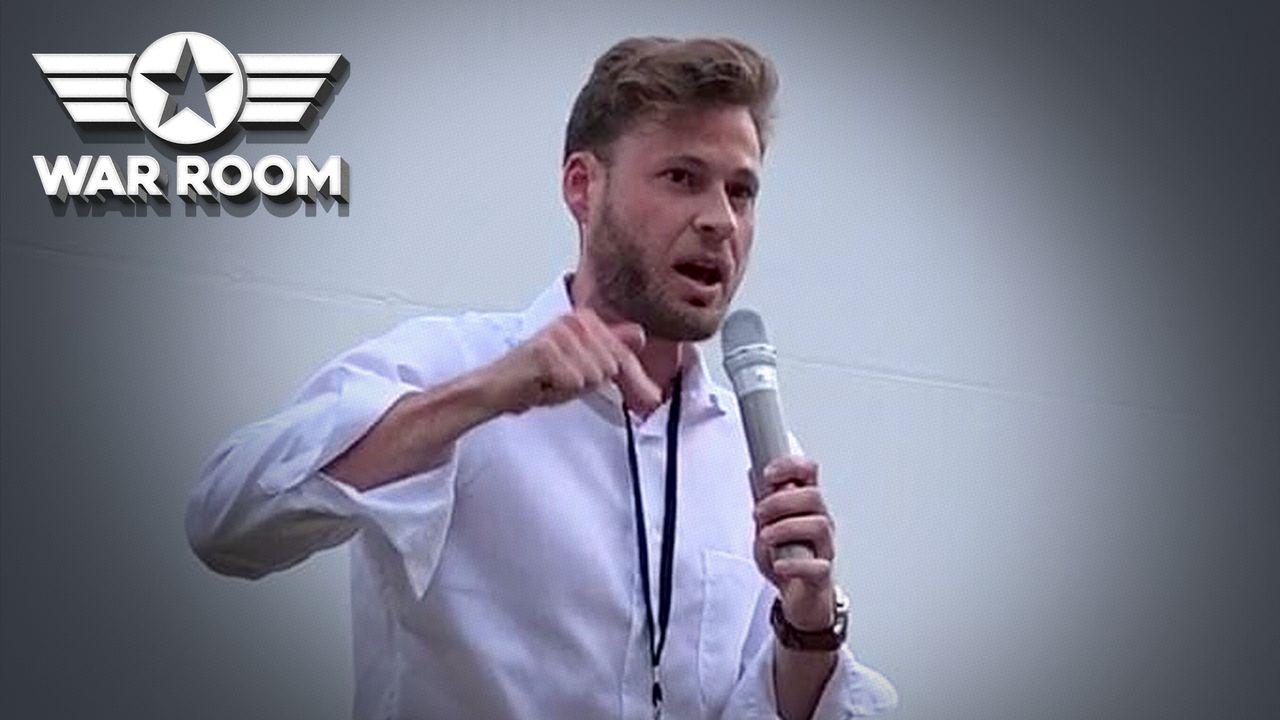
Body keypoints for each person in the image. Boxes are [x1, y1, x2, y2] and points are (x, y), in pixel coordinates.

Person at [186, 36, 897, 719]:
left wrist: (808, 626)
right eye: (682, 178)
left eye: (741, 192)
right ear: (583, 187)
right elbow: (225, 522)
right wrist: (491, 394)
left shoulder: (754, 453)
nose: (720, 221)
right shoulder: (451, 366)